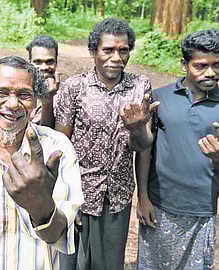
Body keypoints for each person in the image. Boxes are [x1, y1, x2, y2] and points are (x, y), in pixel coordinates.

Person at [0, 56, 84, 270]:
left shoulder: (57, 148)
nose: (12, 104)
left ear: (35, 101)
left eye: (24, 95)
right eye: (1, 93)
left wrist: (41, 206)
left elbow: (61, 234)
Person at [136, 29, 219, 270]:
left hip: (201, 209)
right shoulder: (159, 98)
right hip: (159, 205)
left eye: (218, 65)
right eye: (201, 65)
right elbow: (144, 151)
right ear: (184, 65)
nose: (211, 72)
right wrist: (143, 197)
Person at [55, 18, 159, 270]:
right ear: (93, 52)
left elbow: (144, 146)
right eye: (108, 50)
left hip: (118, 196)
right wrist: (64, 198)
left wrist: (143, 196)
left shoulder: (140, 87)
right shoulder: (74, 87)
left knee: (109, 264)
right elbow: (60, 146)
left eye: (123, 50)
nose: (116, 57)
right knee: (71, 262)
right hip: (78, 195)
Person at [26, 35, 61, 127]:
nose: (44, 67)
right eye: (38, 62)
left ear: (56, 63)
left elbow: (48, 131)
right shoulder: (20, 88)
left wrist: (48, 99)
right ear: (29, 63)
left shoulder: (64, 95)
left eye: (50, 62)